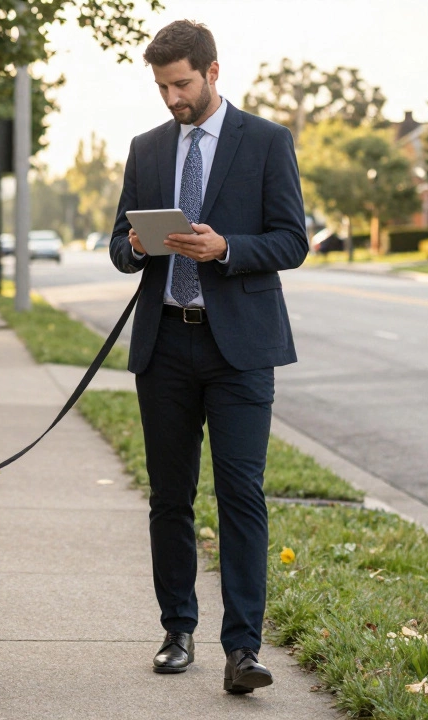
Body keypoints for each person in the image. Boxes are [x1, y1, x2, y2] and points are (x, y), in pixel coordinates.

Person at [107, 20, 307, 694]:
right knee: (170, 496)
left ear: (213, 72)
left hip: (240, 349)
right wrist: (138, 247)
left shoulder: (268, 142)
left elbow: (292, 240)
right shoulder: (147, 149)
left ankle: (243, 649)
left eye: (182, 84)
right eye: (162, 86)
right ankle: (177, 631)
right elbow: (119, 242)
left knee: (241, 495)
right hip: (166, 345)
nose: (172, 98)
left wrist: (228, 250)